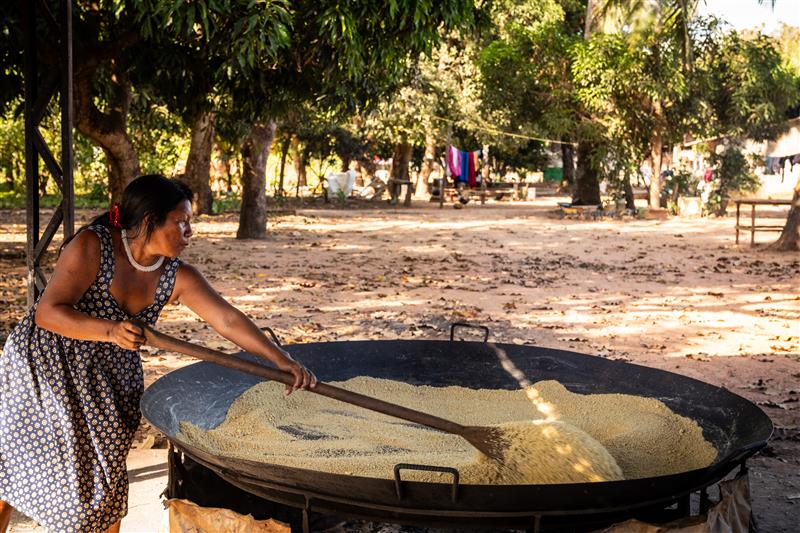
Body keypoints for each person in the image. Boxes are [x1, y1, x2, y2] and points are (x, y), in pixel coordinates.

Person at [0, 174, 316, 533]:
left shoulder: (176, 275)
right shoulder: (92, 246)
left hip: (107, 378)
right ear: (151, 220)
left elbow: (227, 320)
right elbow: (48, 313)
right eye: (182, 222)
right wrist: (111, 331)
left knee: (104, 478)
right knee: (18, 468)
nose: (189, 232)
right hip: (45, 365)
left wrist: (282, 360)